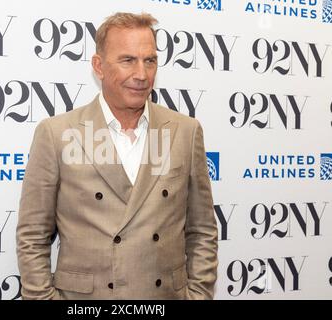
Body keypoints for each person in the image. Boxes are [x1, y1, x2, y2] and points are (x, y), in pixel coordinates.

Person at [16, 12, 218, 300]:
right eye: (128, 60)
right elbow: (33, 236)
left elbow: (202, 230)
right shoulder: (57, 133)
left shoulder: (186, 131)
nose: (142, 74)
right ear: (98, 66)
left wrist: (198, 295)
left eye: (149, 60)